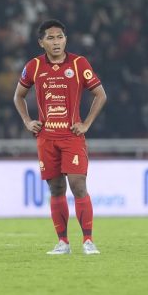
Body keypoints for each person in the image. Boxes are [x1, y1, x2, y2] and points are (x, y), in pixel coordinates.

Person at [13, 19, 108, 255]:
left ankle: (88, 240)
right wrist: (27, 121)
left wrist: (86, 124)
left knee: (78, 185)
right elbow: (18, 96)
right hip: (46, 138)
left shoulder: (78, 64)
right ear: (41, 42)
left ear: (66, 40)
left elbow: (100, 94)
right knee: (56, 189)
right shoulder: (34, 66)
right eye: (51, 38)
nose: (56, 42)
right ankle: (63, 242)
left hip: (71, 136)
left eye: (60, 37)